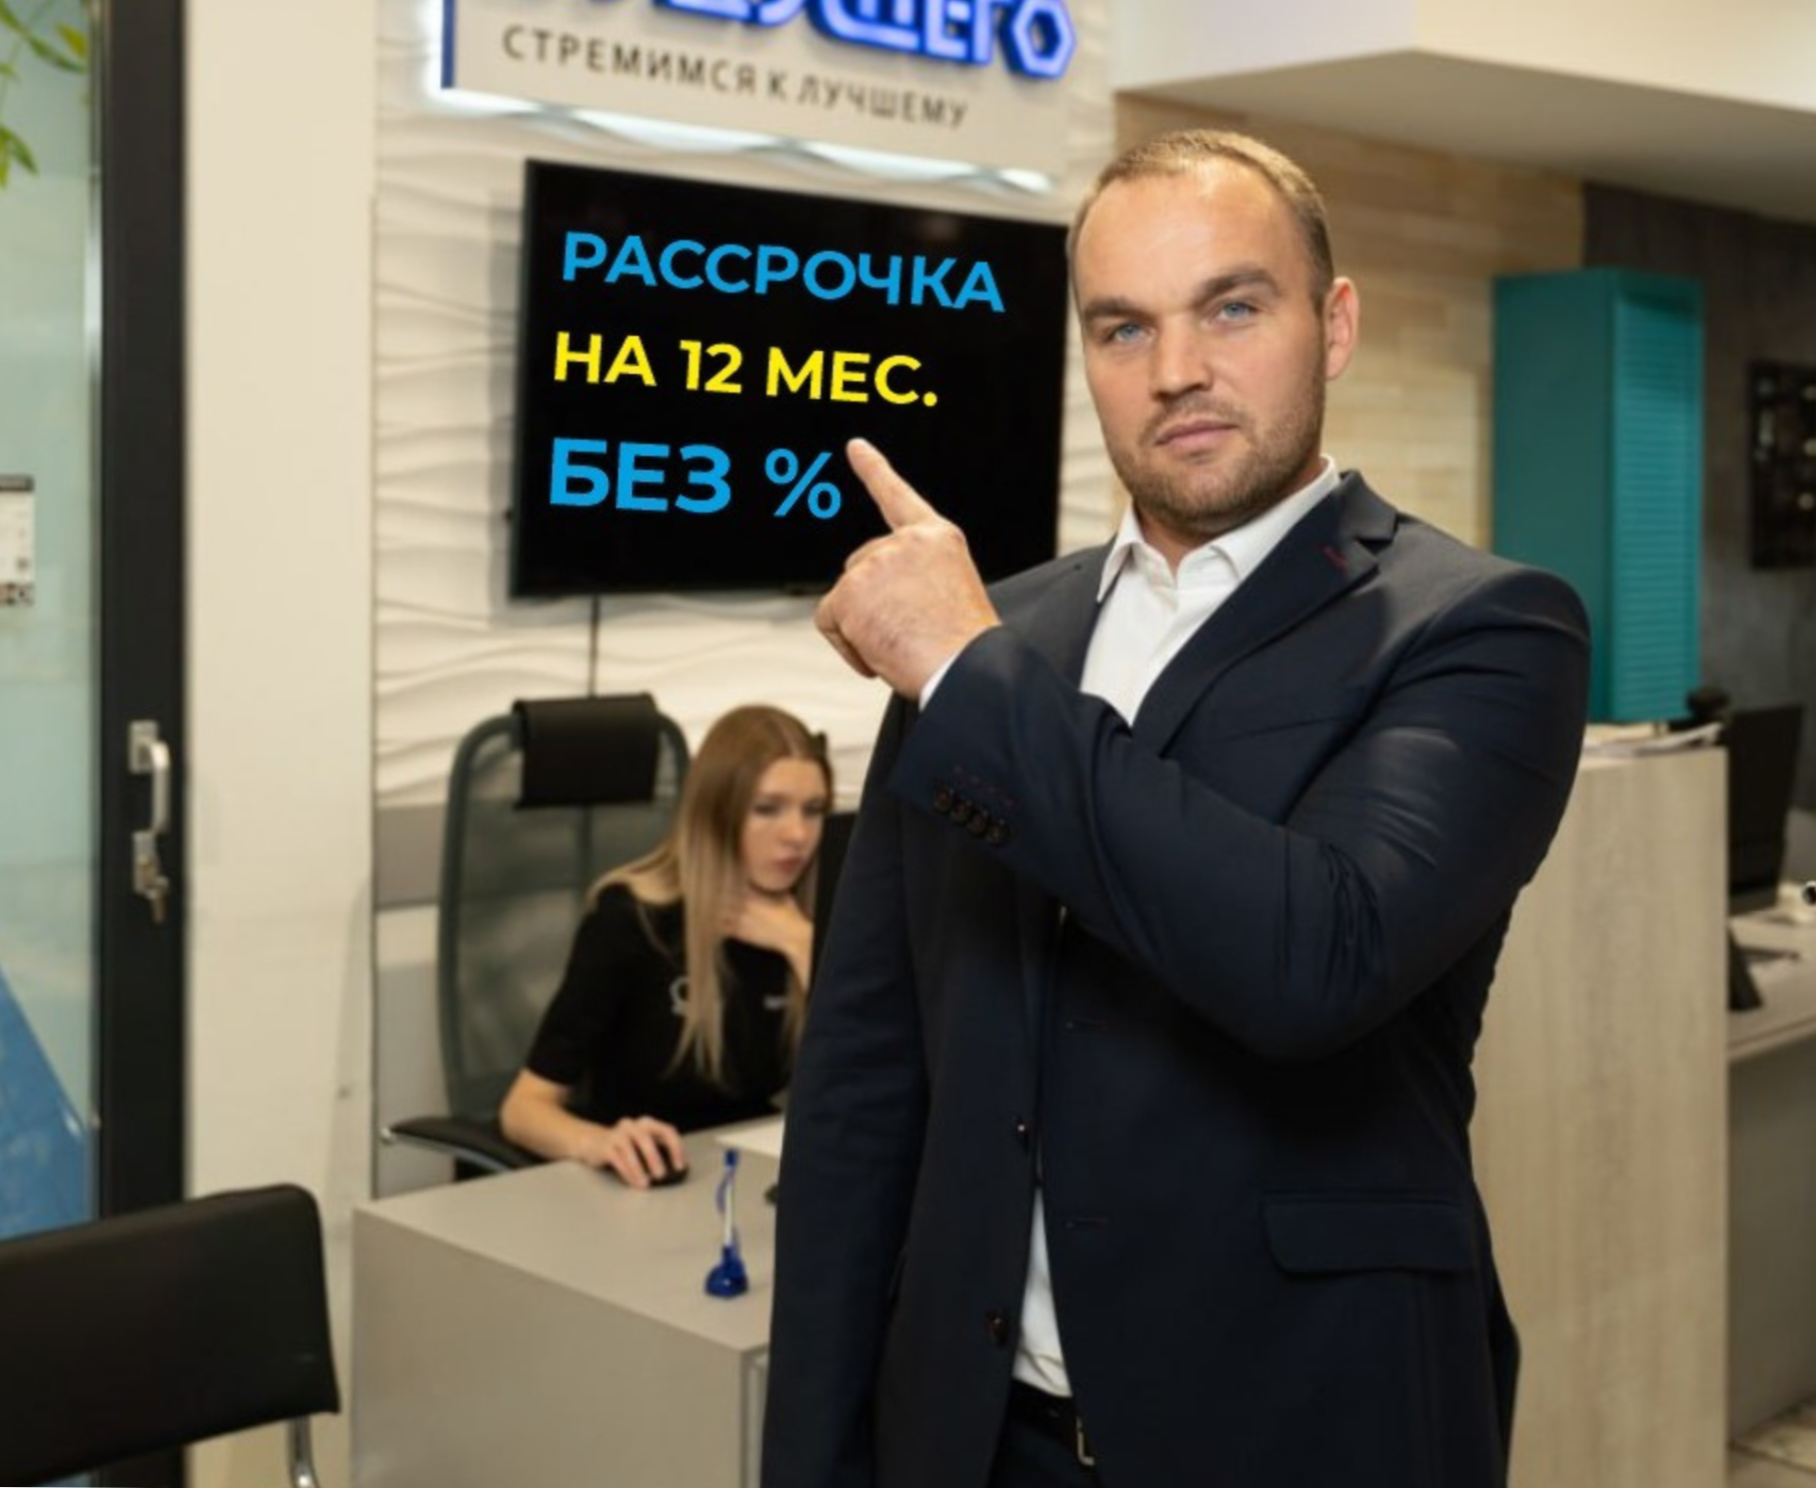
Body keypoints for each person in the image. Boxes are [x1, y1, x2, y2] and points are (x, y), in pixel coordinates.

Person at [763, 130, 1592, 1488]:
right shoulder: (996, 633)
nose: (1176, 370)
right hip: (977, 1440)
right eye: (1122, 328)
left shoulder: (1480, 627)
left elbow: (1315, 959)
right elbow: (865, 1087)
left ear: (1333, 325)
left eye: (1232, 307)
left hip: (1310, 1431)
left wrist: (965, 672)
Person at [498, 703, 829, 1188]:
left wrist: (801, 946)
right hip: (643, 1180)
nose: (797, 834)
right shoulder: (633, 917)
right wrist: (597, 1142)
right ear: (714, 813)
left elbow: (863, 1086)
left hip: (747, 1173)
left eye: (813, 810)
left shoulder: (813, 921)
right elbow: (523, 1109)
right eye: (767, 809)